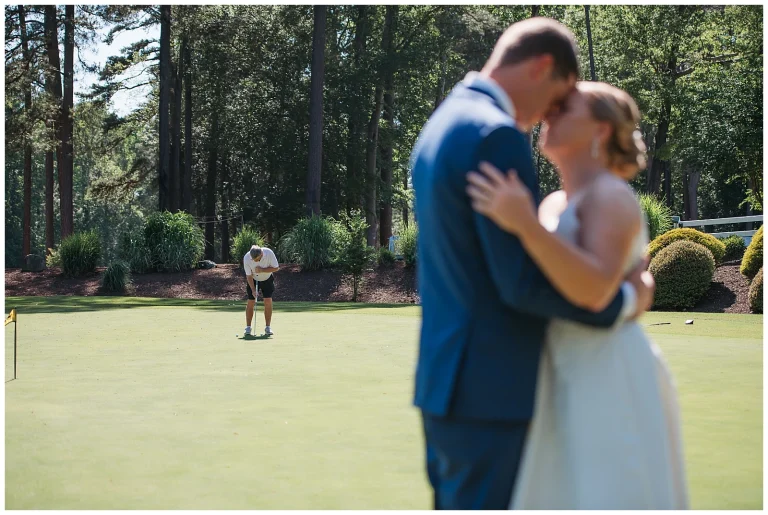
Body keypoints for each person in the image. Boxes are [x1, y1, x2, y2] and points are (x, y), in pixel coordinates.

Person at [409, 18, 657, 510]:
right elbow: (519, 283)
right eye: (557, 98)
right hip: (492, 388)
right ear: (542, 66)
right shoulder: (495, 135)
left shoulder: (444, 123)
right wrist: (624, 302)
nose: (549, 114)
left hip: (447, 381)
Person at [467, 81, 688, 509]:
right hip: (556, 363)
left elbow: (594, 292)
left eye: (565, 108)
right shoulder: (552, 203)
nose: (549, 113)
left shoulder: (611, 195)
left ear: (600, 130)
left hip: (606, 367)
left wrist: (523, 223)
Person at [243, 245, 279, 336]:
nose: (256, 261)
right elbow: (249, 276)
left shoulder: (269, 253)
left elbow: (276, 268)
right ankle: (248, 327)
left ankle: (268, 327)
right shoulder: (247, 258)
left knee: (267, 300)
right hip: (253, 279)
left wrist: (262, 270)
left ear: (262, 254)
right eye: (254, 260)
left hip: (267, 279)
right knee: (251, 301)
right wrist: (253, 289)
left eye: (258, 260)